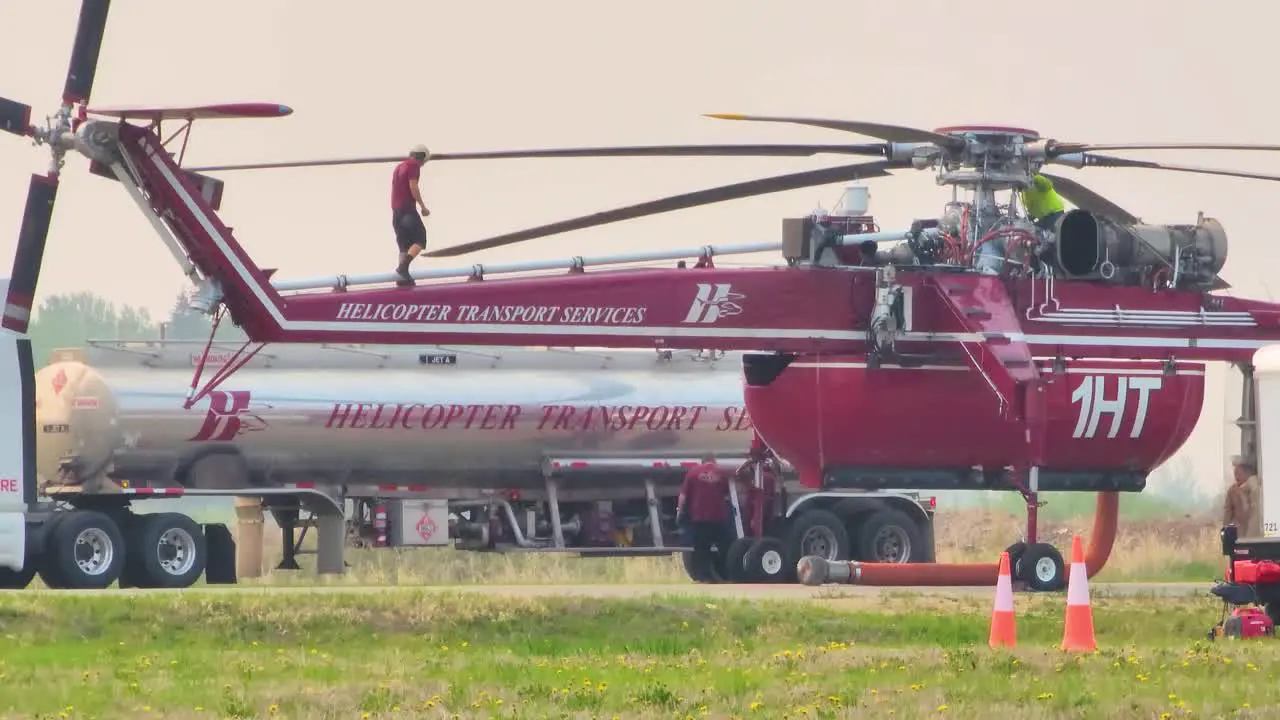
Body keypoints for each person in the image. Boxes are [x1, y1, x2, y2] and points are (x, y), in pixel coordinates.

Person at [677, 451, 731, 581]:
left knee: (701, 549)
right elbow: (726, 494)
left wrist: (680, 512)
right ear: (714, 460)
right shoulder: (721, 473)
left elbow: (683, 496)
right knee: (725, 547)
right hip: (718, 517)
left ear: (702, 461)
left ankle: (704, 577)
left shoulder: (693, 472)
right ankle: (725, 574)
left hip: (700, 517)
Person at [391, 145, 431, 287]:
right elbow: (413, 186)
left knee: (404, 246)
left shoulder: (399, 167)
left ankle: (402, 280)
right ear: (422, 158)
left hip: (396, 212)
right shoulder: (413, 165)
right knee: (420, 239)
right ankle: (403, 268)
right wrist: (423, 206)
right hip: (407, 209)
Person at [1224, 454, 1263, 539]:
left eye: (1238, 474)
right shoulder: (1232, 490)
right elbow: (1227, 513)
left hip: (1254, 534)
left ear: (1248, 473)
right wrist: (1226, 531)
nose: (1236, 477)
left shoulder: (1255, 486)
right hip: (1239, 535)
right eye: (1235, 474)